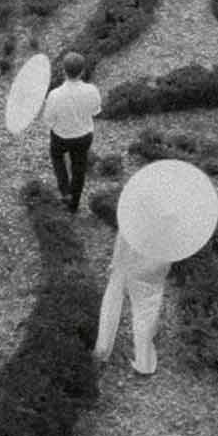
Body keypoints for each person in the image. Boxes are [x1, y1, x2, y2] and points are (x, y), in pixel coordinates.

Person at [94, 227, 171, 377]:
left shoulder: (135, 208)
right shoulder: (175, 221)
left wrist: (115, 261)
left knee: (111, 303)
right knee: (146, 313)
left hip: (126, 260)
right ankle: (144, 363)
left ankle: (102, 349)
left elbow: (123, 235)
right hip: (153, 268)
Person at [40, 51, 101, 213]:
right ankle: (73, 205)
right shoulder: (92, 90)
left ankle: (64, 190)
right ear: (82, 71)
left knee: (57, 156)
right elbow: (96, 112)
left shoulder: (54, 95)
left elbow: (48, 121)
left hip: (61, 137)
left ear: (63, 71)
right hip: (84, 136)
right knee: (79, 168)